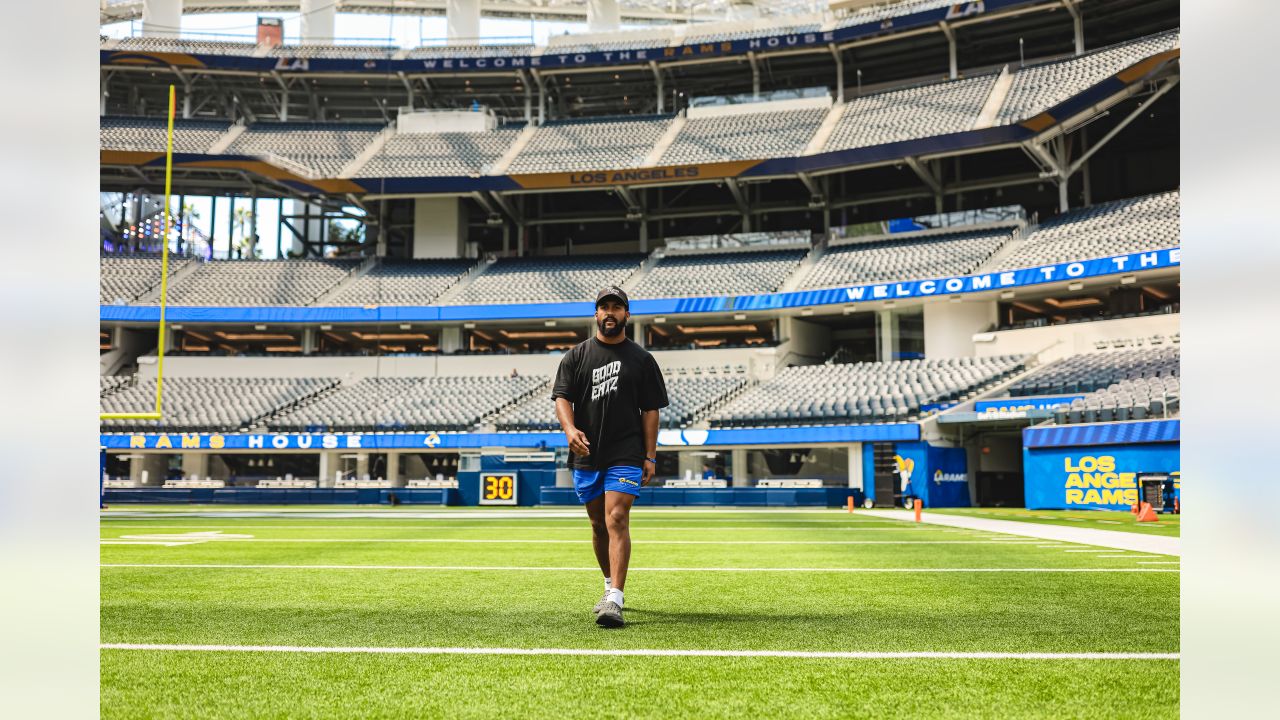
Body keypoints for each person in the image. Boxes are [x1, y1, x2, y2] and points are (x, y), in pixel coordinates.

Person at [553, 286, 669, 628]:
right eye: (604, 307)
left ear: (626, 315)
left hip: (627, 451)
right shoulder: (576, 357)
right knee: (597, 524)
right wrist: (569, 430)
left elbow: (650, 410)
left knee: (616, 517)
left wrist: (650, 455)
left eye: (616, 307)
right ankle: (608, 584)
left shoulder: (642, 360)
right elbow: (562, 398)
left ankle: (615, 598)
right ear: (596, 315)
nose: (610, 313)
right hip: (587, 451)